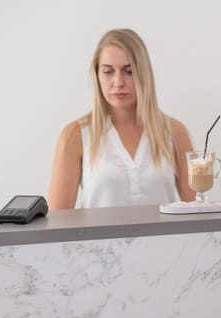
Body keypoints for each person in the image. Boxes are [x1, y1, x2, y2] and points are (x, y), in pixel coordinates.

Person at [48, 28, 195, 209]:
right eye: (108, 71)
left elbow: (195, 212)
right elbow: (57, 224)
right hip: (97, 238)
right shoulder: (75, 136)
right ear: (97, 74)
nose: (118, 82)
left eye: (129, 71)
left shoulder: (174, 132)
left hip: (165, 238)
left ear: (143, 74)